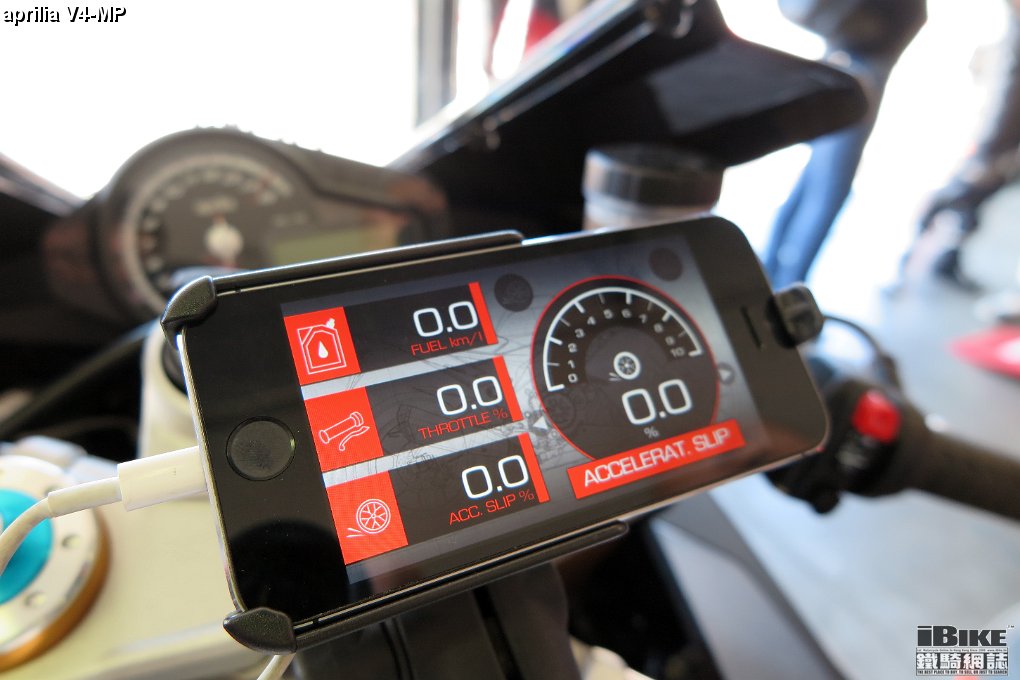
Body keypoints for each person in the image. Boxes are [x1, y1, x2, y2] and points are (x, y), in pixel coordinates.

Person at [763, 0, 927, 289]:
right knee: (831, 187)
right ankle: (789, 285)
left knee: (817, 180)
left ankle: (771, 272)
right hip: (860, 63)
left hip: (850, 54)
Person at [909, 5, 1020, 290]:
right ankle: (911, 248)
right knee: (974, 178)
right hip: (1006, 115)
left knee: (988, 183)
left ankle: (948, 254)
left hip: (1008, 116)